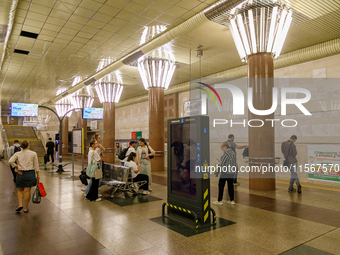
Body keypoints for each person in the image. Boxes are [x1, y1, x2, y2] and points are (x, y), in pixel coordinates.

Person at [9, 140, 40, 213]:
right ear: (28, 146)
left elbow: (10, 161)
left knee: (20, 190)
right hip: (30, 173)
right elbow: (36, 166)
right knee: (27, 191)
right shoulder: (33, 153)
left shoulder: (17, 154)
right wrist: (38, 176)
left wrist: (16, 167)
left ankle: (20, 204)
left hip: (20, 173)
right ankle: (26, 208)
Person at [213, 141, 236, 206]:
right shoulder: (233, 152)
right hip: (231, 171)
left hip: (225, 172)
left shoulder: (226, 153)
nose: (223, 149)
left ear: (225, 146)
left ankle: (219, 200)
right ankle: (232, 200)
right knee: (230, 185)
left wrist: (219, 162)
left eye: (222, 148)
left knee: (221, 185)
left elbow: (222, 163)